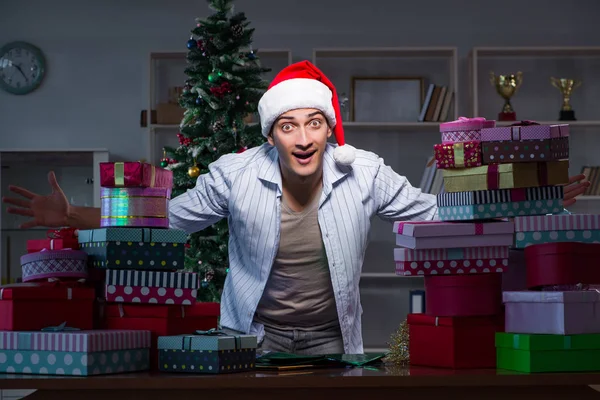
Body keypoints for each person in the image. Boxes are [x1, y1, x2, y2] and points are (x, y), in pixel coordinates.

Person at [3, 61, 589, 355]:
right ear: (272, 135)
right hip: (250, 339)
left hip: (332, 339)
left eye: (313, 123)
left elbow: (435, 211)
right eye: (289, 125)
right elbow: (165, 218)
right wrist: (75, 215)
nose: (303, 137)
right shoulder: (234, 175)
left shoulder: (362, 170)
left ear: (328, 129)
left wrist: (524, 201)